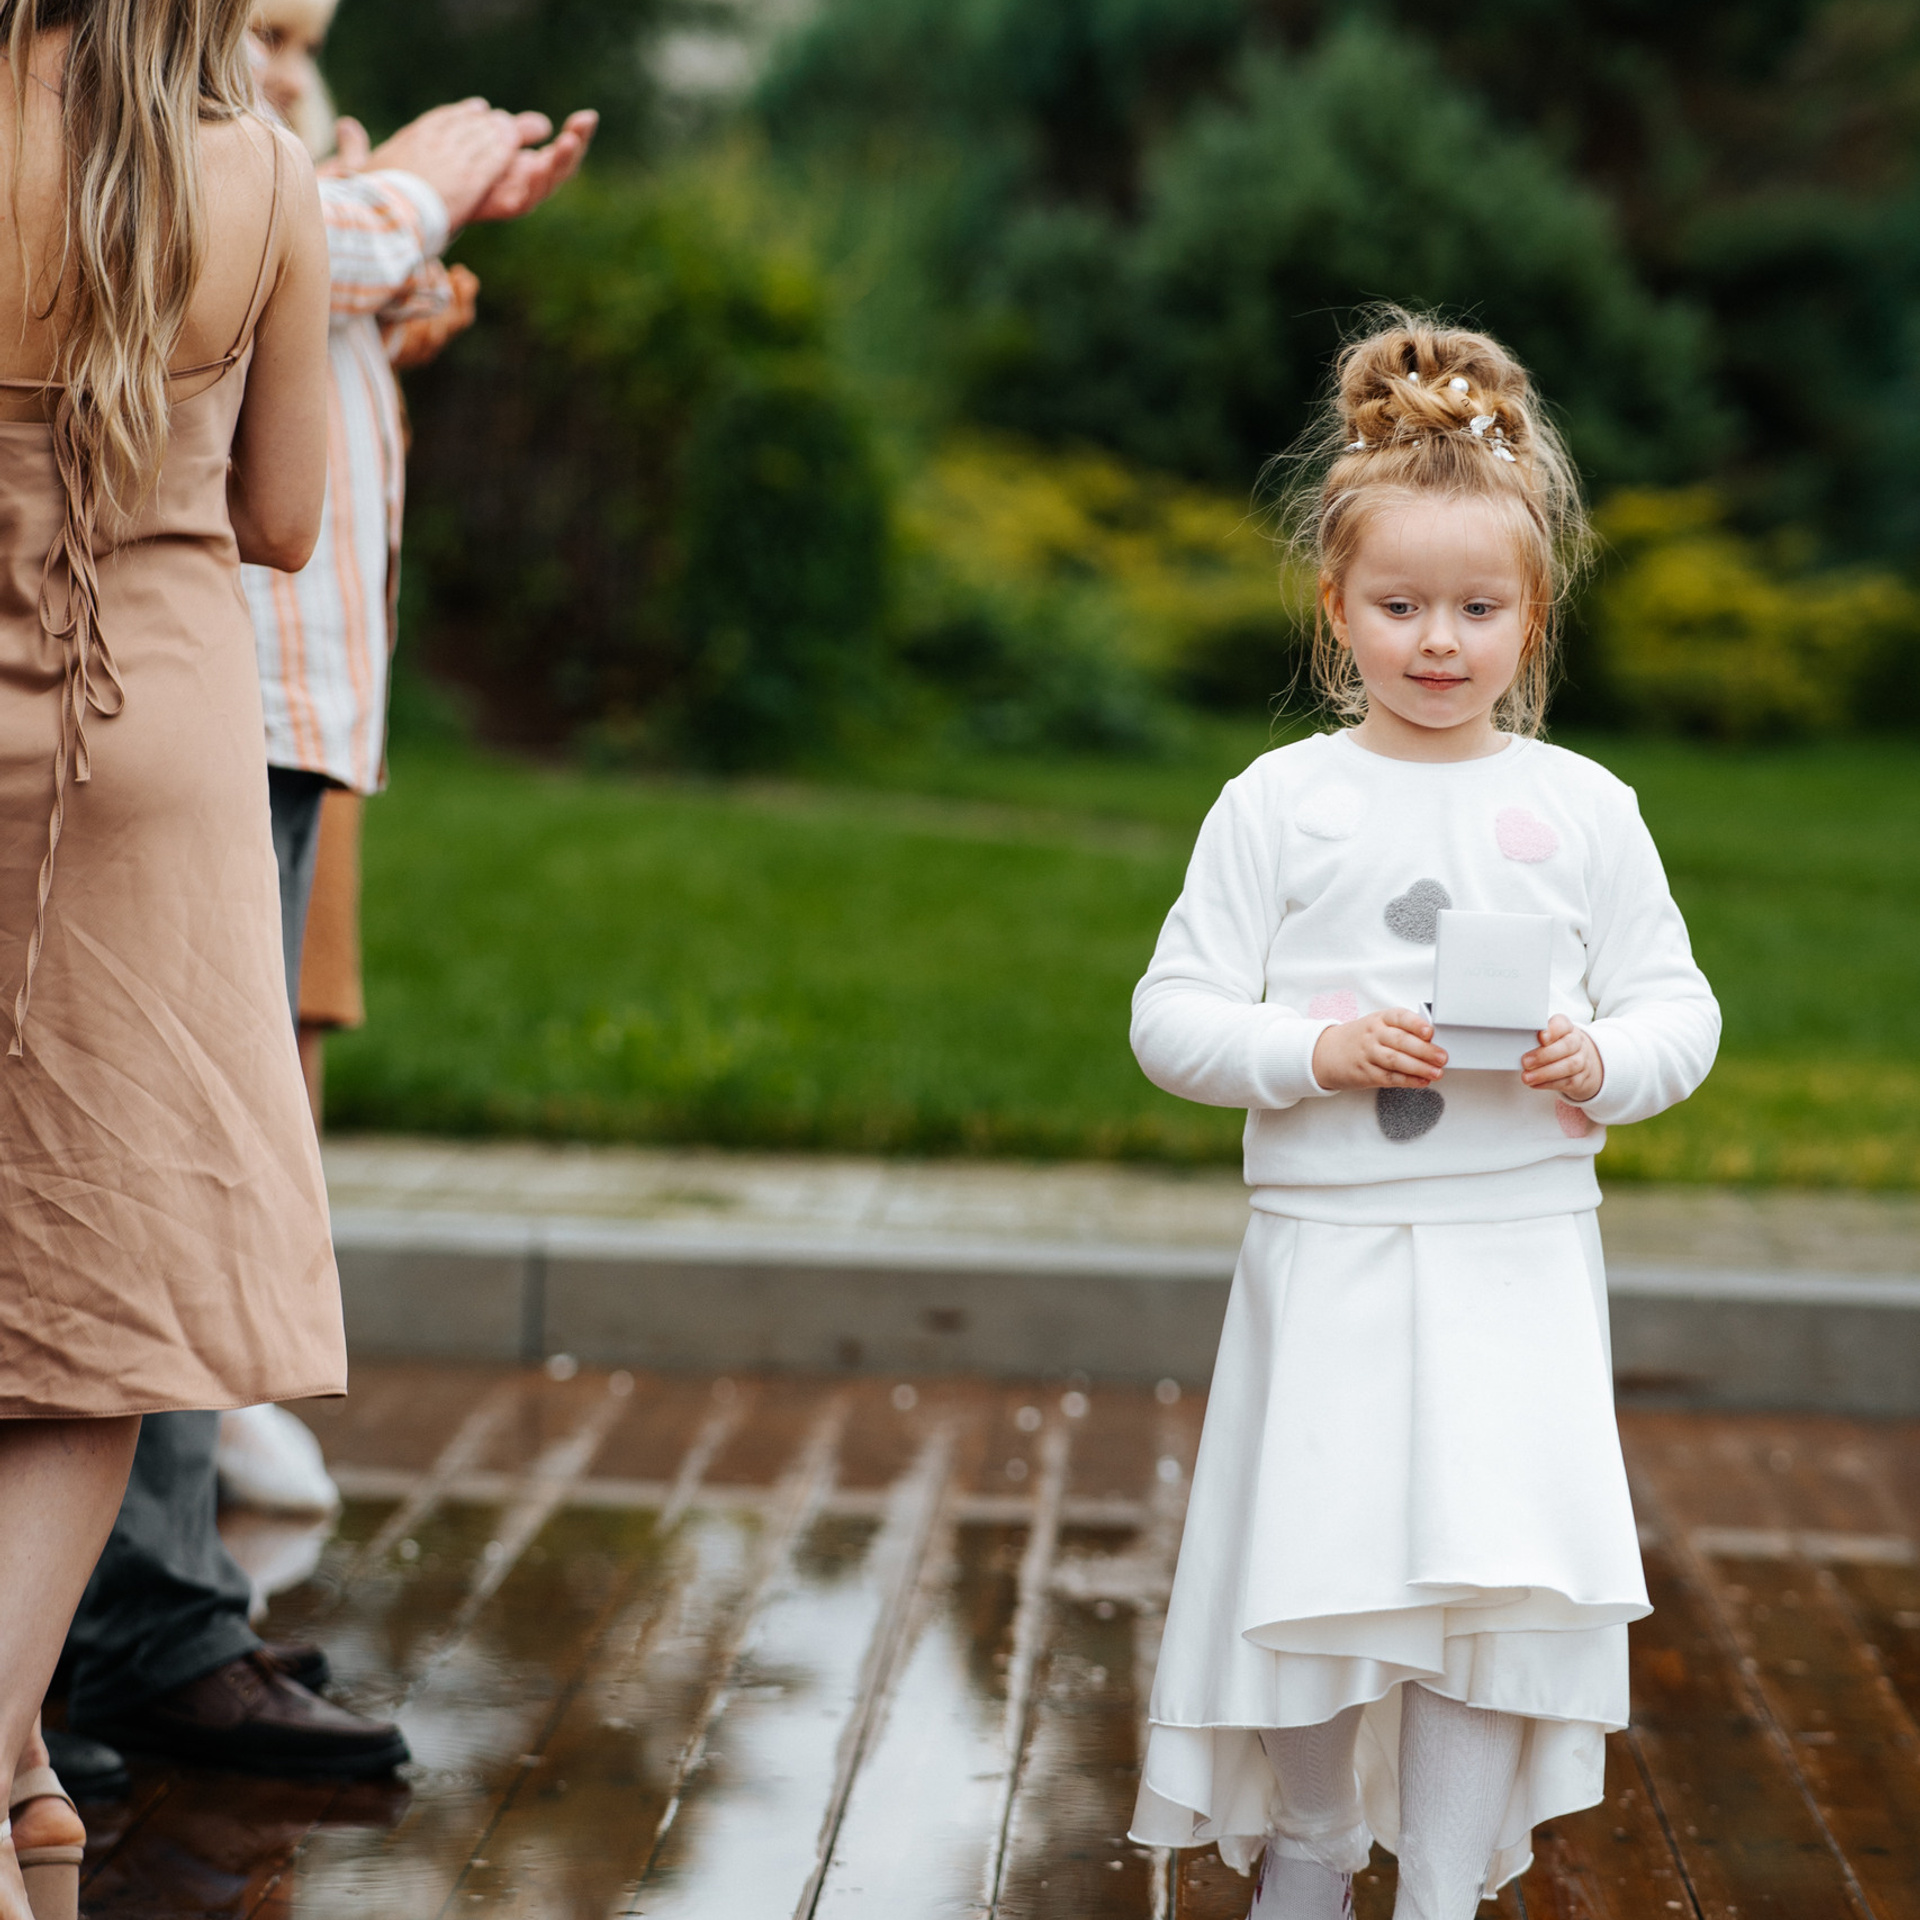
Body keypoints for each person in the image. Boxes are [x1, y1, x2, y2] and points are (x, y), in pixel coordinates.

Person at [51, 4, 596, 1795]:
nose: (291, 42)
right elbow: (266, 474)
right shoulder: (212, 150)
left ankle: (121, 1633)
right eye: (268, 16)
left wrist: (384, 268)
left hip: (233, 705)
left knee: (131, 1178)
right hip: (196, 699)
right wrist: (407, 202)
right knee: (152, 1196)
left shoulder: (243, 143)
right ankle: (126, 1646)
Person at [1124, 314, 1721, 1918]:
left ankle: (1445, 1885)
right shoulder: (1281, 805)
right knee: (1319, 1563)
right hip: (1333, 1248)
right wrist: (1316, 1051)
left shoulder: (1584, 810)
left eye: (1477, 609)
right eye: (1400, 607)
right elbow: (1171, 1017)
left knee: (1485, 1582)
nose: (1438, 643)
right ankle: (1316, 1846)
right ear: (1336, 608)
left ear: (1535, 615)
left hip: (1515, 1247)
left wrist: (1603, 1060)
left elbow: (1680, 1008)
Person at [0, 0, 340, 1907]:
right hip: (148, 732)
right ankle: (3, 1759)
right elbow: (279, 518)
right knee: (102, 1270)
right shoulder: (261, 176)